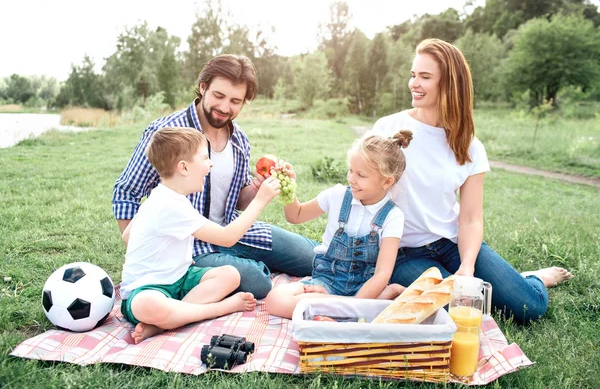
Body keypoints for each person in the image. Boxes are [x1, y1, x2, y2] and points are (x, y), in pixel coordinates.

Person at [371, 38, 573, 324]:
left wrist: (467, 266)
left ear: (450, 84)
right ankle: (512, 280)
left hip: (451, 243)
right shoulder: (387, 128)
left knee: (530, 307)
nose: (413, 83)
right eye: (413, 74)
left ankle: (532, 280)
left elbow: (470, 219)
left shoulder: (469, 146)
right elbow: (360, 186)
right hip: (401, 253)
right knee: (466, 309)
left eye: (425, 77)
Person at [113, 54, 317, 299]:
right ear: (203, 87)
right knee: (258, 281)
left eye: (235, 101)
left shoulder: (239, 139)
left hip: (232, 229)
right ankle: (226, 268)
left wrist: (258, 186)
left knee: (314, 257)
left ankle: (234, 261)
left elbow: (239, 200)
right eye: (219, 96)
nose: (224, 107)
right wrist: (141, 248)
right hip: (190, 244)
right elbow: (126, 192)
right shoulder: (167, 132)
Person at [120, 127, 281, 344]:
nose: (211, 164)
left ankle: (163, 323)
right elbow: (227, 237)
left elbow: (128, 236)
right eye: (206, 158)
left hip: (180, 279)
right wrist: (260, 200)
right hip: (148, 290)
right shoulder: (170, 206)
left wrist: (173, 256)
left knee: (230, 275)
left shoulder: (160, 196)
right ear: (184, 167)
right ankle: (220, 309)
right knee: (147, 304)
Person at [265, 131, 413, 319]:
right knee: (275, 300)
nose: (351, 179)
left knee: (390, 312)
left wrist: (354, 304)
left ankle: (342, 310)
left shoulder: (392, 216)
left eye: (361, 175)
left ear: (387, 181)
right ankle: (348, 312)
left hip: (365, 290)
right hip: (326, 282)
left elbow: (382, 275)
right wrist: (289, 189)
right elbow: (296, 215)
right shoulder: (337, 196)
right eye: (351, 170)